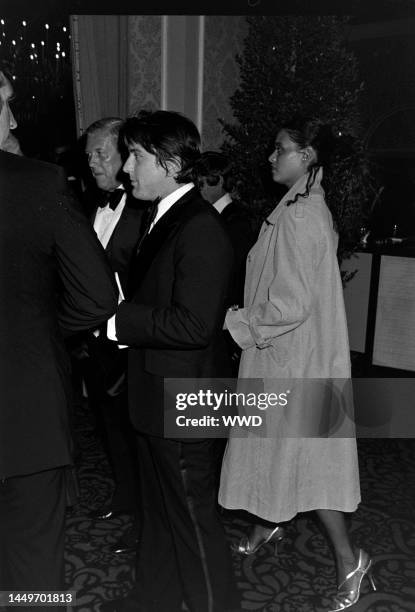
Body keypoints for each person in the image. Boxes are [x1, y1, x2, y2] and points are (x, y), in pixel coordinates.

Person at [219, 116, 376, 611]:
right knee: (283, 452)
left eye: (280, 148)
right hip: (295, 354)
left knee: (312, 464)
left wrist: (237, 324)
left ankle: (350, 560)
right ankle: (268, 523)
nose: (271, 156)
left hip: (293, 359)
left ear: (306, 156)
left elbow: (289, 304)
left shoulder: (300, 215)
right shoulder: (300, 205)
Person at [102, 110, 237, 612]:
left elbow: (194, 325)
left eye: (135, 156)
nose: (125, 169)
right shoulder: (164, 215)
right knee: (160, 512)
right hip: (161, 395)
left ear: (172, 161)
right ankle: (150, 600)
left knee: (191, 521)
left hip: (186, 401)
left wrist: (120, 322)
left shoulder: (199, 227)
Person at [0, 70, 118, 602]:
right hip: (24, 412)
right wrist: (45, 330)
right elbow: (96, 297)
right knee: (34, 575)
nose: (15, 117)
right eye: (5, 102)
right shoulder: (36, 182)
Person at [79, 118, 143, 552]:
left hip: (131, 343)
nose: (92, 164)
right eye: (88, 156)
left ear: (125, 157)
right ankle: (124, 495)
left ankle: (146, 520)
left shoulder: (144, 210)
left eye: (100, 154)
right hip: (98, 340)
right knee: (110, 428)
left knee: (139, 433)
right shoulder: (93, 204)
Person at [200, 152, 257, 374]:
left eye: (203, 181)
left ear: (220, 180)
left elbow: (238, 273)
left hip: (227, 319)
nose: (198, 188)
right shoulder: (206, 216)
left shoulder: (237, 220)